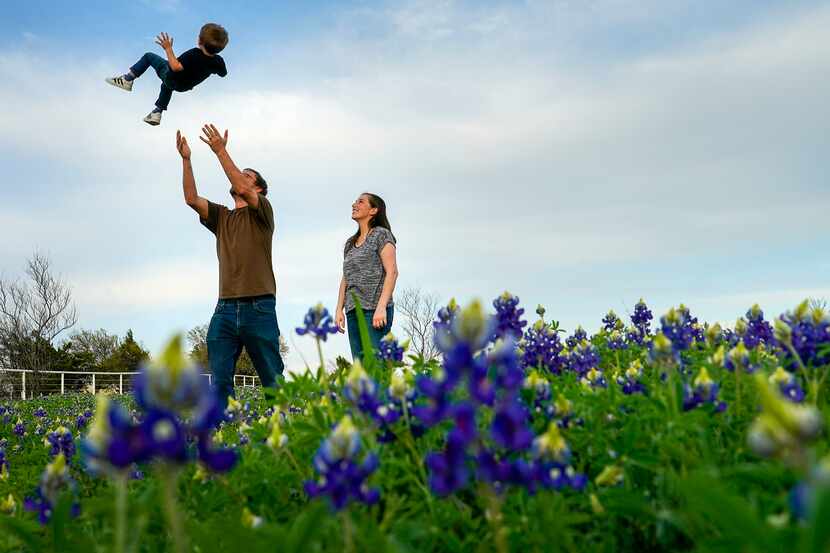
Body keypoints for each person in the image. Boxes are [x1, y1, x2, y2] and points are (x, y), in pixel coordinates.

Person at [175, 123, 284, 410]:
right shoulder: (222, 217)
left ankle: (285, 427)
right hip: (224, 309)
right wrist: (187, 160)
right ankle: (228, 430)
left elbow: (241, 186)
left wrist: (221, 151)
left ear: (258, 189)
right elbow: (190, 199)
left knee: (272, 378)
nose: (240, 178)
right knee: (221, 380)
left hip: (258, 307)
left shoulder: (263, 214)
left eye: (247, 177)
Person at [106, 23, 229, 126]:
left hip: (171, 76)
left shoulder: (194, 54)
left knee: (149, 56)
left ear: (199, 41)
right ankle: (157, 113)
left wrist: (168, 48)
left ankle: (127, 79)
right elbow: (223, 74)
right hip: (184, 86)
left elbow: (175, 67)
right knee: (166, 86)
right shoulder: (218, 62)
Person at [335, 193, 399, 360]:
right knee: (360, 366)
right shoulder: (350, 243)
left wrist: (381, 307)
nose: (354, 204)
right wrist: (339, 309)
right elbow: (346, 278)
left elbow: (392, 272)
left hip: (374, 310)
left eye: (360, 202)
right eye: (355, 201)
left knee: (377, 365)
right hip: (352, 310)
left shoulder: (381, 235)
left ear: (373, 210)